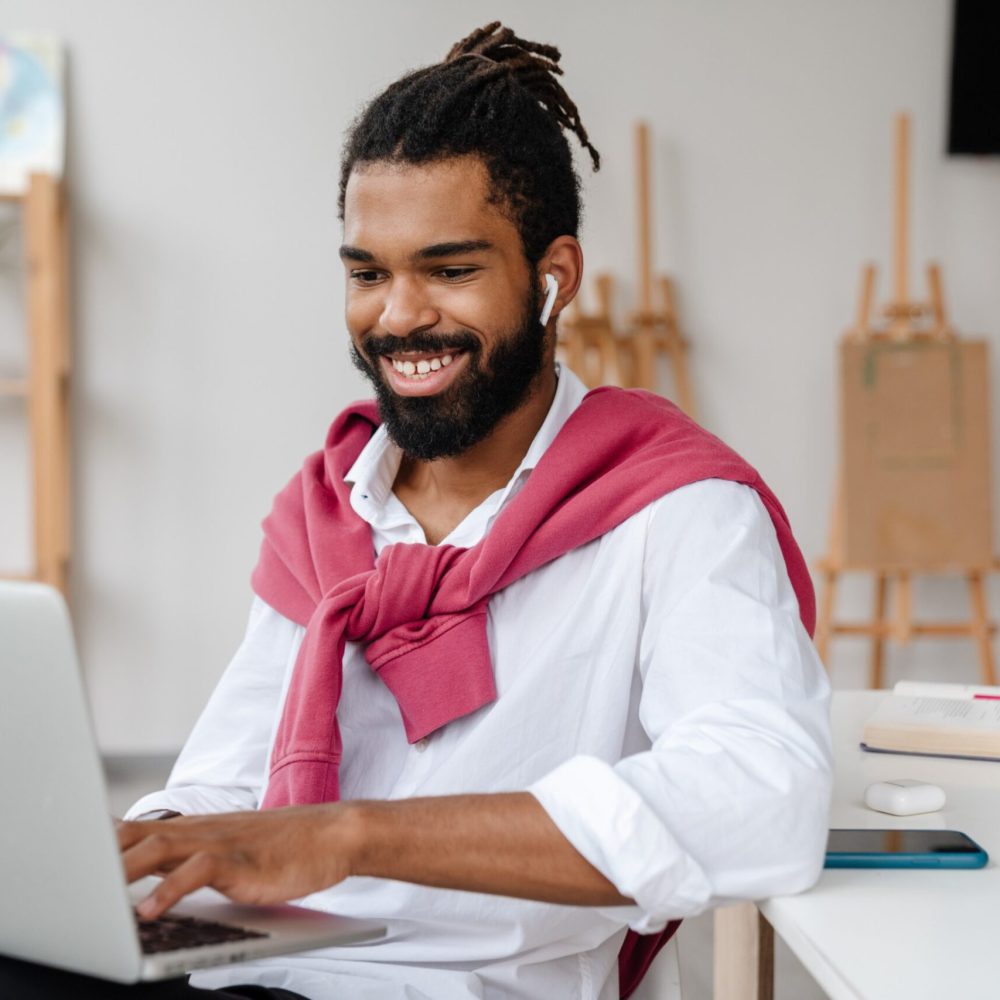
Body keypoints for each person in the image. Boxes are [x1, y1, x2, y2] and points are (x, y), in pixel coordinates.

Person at [4, 22, 832, 1000]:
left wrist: (350, 835)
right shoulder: (327, 510)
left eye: (448, 269)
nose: (396, 317)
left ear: (552, 276)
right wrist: (138, 858)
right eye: (367, 272)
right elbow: (229, 783)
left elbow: (763, 801)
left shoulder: (674, 505)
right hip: (260, 972)